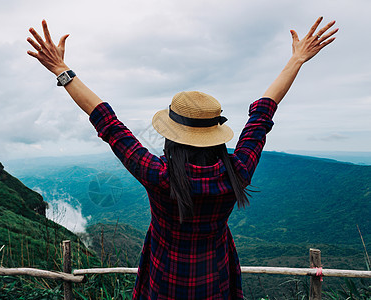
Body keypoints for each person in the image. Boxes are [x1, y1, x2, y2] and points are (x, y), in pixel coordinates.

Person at [27, 17, 338, 299]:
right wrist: (296, 60)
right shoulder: (237, 172)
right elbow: (262, 114)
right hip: (215, 283)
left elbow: (108, 123)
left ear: (171, 137)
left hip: (163, 284)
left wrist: (61, 71)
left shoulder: (158, 175)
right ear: (216, 134)